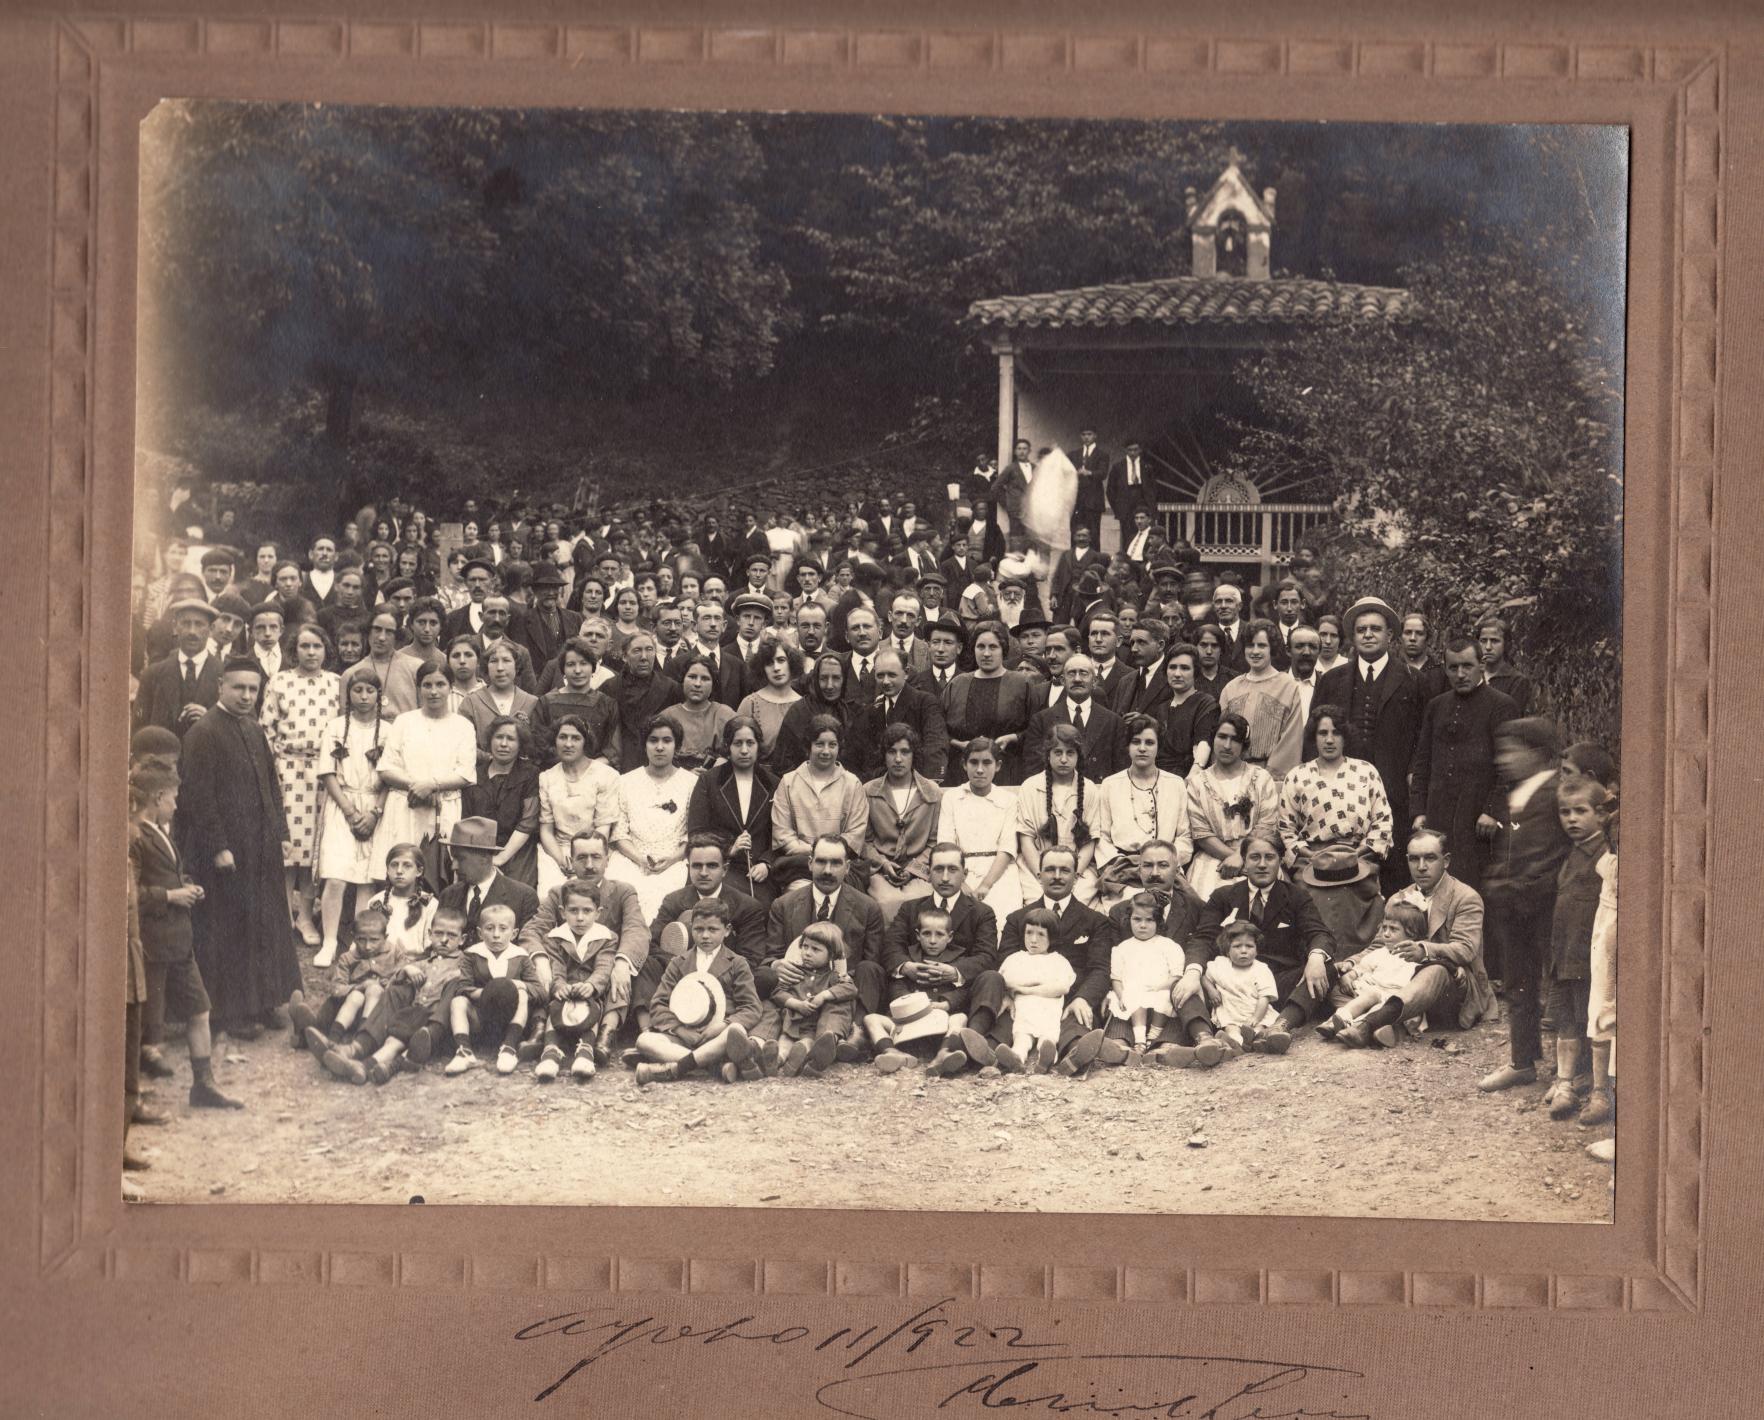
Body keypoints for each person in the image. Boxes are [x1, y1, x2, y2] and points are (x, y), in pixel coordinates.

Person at [178, 657, 303, 1039]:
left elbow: (270, 783)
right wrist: (218, 846)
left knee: (264, 923)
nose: (247, 695)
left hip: (260, 846)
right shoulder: (204, 732)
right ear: (221, 686)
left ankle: (265, 1001)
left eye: (253, 689)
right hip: (226, 851)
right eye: (239, 688)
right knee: (228, 929)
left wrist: (280, 832)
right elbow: (199, 798)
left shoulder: (252, 727)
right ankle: (230, 1013)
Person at [129, 764, 243, 1110]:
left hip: (179, 941)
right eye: (174, 797)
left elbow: (167, 874)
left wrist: (186, 886)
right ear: (159, 797)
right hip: (152, 946)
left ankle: (203, 1086)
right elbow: (129, 895)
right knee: (142, 1027)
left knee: (199, 1010)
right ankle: (128, 1101)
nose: (177, 805)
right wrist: (171, 896)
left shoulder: (162, 831)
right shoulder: (135, 837)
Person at [1478, 718, 1574, 1093]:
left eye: (1511, 751)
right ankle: (1523, 1061)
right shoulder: (1517, 793)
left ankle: (1573, 1074)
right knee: (1518, 983)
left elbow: (1550, 857)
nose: (1503, 759)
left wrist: (1509, 885)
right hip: (1515, 908)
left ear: (1535, 753)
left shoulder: (1555, 793)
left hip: (1545, 906)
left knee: (1563, 986)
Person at [1307, 596, 1424, 893]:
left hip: (1395, 790)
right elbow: (1314, 736)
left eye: (1375, 629)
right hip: (1341, 792)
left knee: (1394, 869)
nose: (1368, 635)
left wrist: (1413, 777)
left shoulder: (1413, 680)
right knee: (1344, 871)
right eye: (1361, 630)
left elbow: (1424, 737)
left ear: (1390, 636)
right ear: (1353, 636)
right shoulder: (1332, 680)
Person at [1181, 832, 1339, 1052]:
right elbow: (1203, 938)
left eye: (1270, 857)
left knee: (1327, 969)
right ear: (1244, 861)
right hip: (1229, 987)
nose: (1262, 865)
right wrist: (1192, 972)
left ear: (1280, 861)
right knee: (1185, 979)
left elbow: (1319, 933)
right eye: (1255, 857)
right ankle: (1205, 1039)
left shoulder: (1296, 896)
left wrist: (1316, 958)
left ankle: (1279, 1027)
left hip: (1276, 985)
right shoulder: (1223, 897)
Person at [969, 849, 1116, 1076]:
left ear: (1076, 878)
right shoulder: (1017, 918)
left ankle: (1073, 1056)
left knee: (1073, 1023)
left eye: (1065, 870)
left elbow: (1100, 968)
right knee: (1010, 1021)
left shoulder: (1095, 921)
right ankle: (987, 1055)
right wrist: (1008, 994)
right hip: (1022, 996)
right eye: (1050, 870)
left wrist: (1083, 999)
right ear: (1039, 876)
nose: (1057, 876)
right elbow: (1004, 961)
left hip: (1068, 995)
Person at [1280, 704, 1394, 954]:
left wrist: (1359, 854)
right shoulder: (1297, 776)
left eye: (1336, 733)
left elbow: (1382, 821)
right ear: (1314, 736)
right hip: (1313, 864)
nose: (1329, 740)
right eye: (1323, 733)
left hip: (1358, 860)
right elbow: (1286, 828)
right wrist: (1312, 857)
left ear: (1345, 736)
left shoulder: (1365, 772)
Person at [1408, 637, 1519, 891]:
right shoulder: (1436, 706)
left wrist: (1493, 809)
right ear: (1445, 668)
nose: (1460, 674)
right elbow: (1423, 761)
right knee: (1436, 887)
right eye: (1453, 667)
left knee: (1474, 888)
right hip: (1438, 813)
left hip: (1479, 819)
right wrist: (1418, 811)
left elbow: (1509, 766)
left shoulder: (1502, 705)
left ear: (1482, 664)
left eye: (1467, 666)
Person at [260, 622, 341, 948]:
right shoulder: (279, 681)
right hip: (287, 771)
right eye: (305, 646)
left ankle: (306, 916)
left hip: (324, 775)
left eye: (317, 646)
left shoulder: (336, 683)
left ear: (325, 650)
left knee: (313, 852)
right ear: (294, 650)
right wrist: (271, 773)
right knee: (287, 849)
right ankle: (282, 917)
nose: (310, 652)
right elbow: (266, 729)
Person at [634, 898, 765, 1086]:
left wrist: (723, 1025)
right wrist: (679, 1029)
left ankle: (675, 1068)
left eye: (712, 930)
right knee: (644, 1040)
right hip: (685, 1034)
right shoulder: (678, 963)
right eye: (699, 929)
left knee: (735, 1032)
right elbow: (658, 1004)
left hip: (718, 1036)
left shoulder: (737, 963)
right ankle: (715, 1067)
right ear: (691, 928)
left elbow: (751, 1007)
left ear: (727, 930)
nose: (705, 936)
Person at [371, 660, 478, 887]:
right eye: (427, 685)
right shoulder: (404, 721)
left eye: (440, 684)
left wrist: (432, 785)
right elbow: (386, 767)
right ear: (419, 688)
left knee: (439, 875)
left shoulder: (463, 726)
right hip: (404, 807)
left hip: (443, 807)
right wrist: (418, 787)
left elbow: (465, 773)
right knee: (400, 869)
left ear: (450, 687)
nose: (433, 691)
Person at [1542, 779, 1613, 1121]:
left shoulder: (1607, 855)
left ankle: (1598, 1089)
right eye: (1565, 812)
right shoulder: (1568, 854)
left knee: (1595, 1021)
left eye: (1580, 811)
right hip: (1564, 954)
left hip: (1592, 957)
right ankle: (1565, 1083)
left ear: (1601, 815)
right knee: (1565, 1021)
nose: (1571, 819)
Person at [313, 672, 388, 963]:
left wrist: (374, 813)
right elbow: (328, 773)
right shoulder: (334, 727)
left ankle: (359, 944)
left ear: (378, 695)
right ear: (349, 694)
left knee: (366, 880)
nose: (364, 696)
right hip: (341, 804)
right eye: (358, 690)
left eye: (370, 690)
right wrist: (349, 810)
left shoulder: (389, 731)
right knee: (336, 876)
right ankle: (329, 941)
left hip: (375, 806)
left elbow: (391, 777)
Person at [602, 715, 698, 918]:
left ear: (677, 745)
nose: (660, 747)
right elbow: (619, 834)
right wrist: (640, 859)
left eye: (667, 740)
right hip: (631, 857)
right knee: (620, 892)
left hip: (674, 860)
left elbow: (692, 834)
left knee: (663, 899)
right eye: (653, 740)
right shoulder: (626, 781)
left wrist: (672, 859)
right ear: (644, 745)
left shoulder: (691, 783)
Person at [1093, 715, 1191, 904]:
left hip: (1166, 872)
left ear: (1158, 746)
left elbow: (1185, 835)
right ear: (1128, 746)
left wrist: (1165, 863)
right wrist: (1124, 864)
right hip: (1123, 872)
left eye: (1149, 742)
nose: (1142, 748)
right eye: (1136, 742)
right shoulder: (1111, 784)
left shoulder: (1175, 784)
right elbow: (1102, 836)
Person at [1183, 712, 1280, 900]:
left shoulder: (1261, 778)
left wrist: (1242, 857)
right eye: (1222, 737)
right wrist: (1233, 857)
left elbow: (1266, 825)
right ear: (1213, 740)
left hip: (1257, 855)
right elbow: (1201, 833)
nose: (1227, 745)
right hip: (1213, 858)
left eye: (1235, 739)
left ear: (1244, 745)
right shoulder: (1197, 783)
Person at [530, 877, 619, 1082]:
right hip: (566, 990)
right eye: (573, 911)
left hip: (591, 991)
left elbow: (604, 966)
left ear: (598, 913)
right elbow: (556, 966)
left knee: (595, 1005)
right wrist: (559, 985)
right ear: (562, 912)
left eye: (587, 911)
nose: (580, 918)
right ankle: (550, 1051)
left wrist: (591, 985)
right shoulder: (554, 937)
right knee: (554, 1004)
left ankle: (585, 1051)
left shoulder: (606, 937)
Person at [438, 902, 540, 1077]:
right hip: (481, 1018)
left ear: (514, 933)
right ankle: (464, 1051)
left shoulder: (521, 957)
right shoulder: (472, 955)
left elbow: (540, 991)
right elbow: (463, 987)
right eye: (489, 928)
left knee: (522, 994)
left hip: (511, 1018)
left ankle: (509, 1047)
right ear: (479, 932)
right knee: (458, 1001)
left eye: (503, 929)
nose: (496, 935)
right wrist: (489, 992)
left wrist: (517, 985)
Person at [300, 904, 402, 1070]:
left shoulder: (395, 952)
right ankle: (330, 1039)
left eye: (374, 940)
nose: (368, 946)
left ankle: (354, 1038)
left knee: (374, 990)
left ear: (385, 937)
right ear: (354, 937)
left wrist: (383, 983)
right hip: (349, 1009)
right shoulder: (348, 958)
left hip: (378, 1014)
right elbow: (336, 988)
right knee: (354, 996)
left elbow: (403, 971)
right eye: (361, 940)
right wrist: (359, 987)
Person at [685, 717, 777, 902]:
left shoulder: (773, 783)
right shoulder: (709, 781)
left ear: (758, 746)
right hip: (715, 866)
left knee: (760, 909)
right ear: (728, 746)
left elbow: (780, 834)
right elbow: (697, 832)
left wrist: (767, 864)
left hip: (757, 871)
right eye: (738, 743)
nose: (744, 750)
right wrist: (727, 850)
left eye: (750, 743)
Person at [771, 715, 868, 891]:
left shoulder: (852, 784)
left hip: (840, 867)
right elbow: (783, 834)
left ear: (840, 747)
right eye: (819, 744)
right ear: (808, 746)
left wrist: (828, 855)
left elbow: (855, 834)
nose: (826, 751)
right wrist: (814, 855)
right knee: (801, 895)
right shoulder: (789, 782)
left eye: (832, 745)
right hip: (800, 867)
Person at [860, 724, 943, 923]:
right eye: (892, 752)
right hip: (881, 870)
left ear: (914, 755)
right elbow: (863, 841)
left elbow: (935, 841)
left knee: (921, 903)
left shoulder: (931, 792)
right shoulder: (869, 791)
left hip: (921, 871)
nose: (898, 759)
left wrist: (913, 869)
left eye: (905, 752)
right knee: (887, 901)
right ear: (884, 755)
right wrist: (883, 863)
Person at [1316, 901, 1427, 1048]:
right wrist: (1350, 976)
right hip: (1367, 993)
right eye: (1384, 928)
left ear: (1411, 933)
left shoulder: (1418, 959)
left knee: (1376, 1001)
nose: (1386, 934)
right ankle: (1364, 1028)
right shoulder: (1380, 953)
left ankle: (1346, 1023)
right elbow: (1362, 968)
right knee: (1338, 992)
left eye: (1393, 929)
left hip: (1392, 1001)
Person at [935, 737, 1023, 921]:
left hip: (999, 872)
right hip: (958, 870)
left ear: (998, 766)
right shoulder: (952, 798)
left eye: (987, 763)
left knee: (1002, 920)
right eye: (974, 762)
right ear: (964, 765)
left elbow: (1007, 848)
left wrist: (986, 885)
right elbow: (946, 845)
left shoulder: (1008, 800)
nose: (980, 769)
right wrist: (961, 883)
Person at [1015, 722, 1101, 905]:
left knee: (1076, 903)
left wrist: (1075, 874)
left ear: (1078, 756)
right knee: (1037, 902)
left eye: (1070, 753)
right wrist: (1041, 873)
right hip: (1035, 866)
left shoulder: (1090, 789)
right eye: (1057, 752)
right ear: (1047, 755)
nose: (1063, 759)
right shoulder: (1030, 787)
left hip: (1078, 869)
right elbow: (1026, 839)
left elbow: (1090, 841)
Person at [535, 714, 621, 896]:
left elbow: (603, 828)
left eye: (575, 738)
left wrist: (582, 858)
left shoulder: (606, 775)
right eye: (563, 737)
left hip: (595, 848)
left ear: (585, 742)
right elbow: (546, 830)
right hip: (558, 851)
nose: (568, 744)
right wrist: (561, 860)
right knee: (550, 895)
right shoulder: (547, 778)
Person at [944, 621, 1036, 786]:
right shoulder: (957, 684)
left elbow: (1037, 727)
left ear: (1003, 650)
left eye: (993, 647)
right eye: (981, 647)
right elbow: (939, 730)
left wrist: (1014, 737)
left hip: (1008, 771)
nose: (986, 653)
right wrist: (960, 745)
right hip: (963, 772)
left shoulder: (1021, 684)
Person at [762, 920, 857, 1078]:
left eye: (815, 949)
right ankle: (775, 1061)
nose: (807, 952)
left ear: (831, 955)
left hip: (814, 1025)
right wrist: (795, 1003)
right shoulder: (795, 972)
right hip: (793, 1021)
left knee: (806, 1043)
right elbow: (778, 991)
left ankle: (797, 1060)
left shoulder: (834, 977)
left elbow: (850, 989)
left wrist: (824, 995)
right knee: (784, 1042)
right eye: (805, 946)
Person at [459, 715, 541, 888]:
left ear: (520, 745)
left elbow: (528, 821)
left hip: (517, 851)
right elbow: (466, 821)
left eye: (511, 739)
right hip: (479, 851)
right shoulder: (475, 774)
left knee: (515, 892)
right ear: (490, 741)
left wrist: (500, 858)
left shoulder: (530, 774)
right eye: (499, 737)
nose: (503, 744)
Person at [1218, 620, 1305, 781]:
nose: (1255, 651)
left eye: (1262, 645)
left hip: (1271, 777)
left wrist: (1268, 778)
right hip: (1233, 775)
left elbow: (1291, 739)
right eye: (1250, 645)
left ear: (1272, 648)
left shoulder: (1287, 686)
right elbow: (1221, 738)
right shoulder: (1231, 688)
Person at [995, 906, 1078, 1073]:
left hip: (1049, 1011)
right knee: (1021, 1039)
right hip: (1023, 1011)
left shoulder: (1058, 961)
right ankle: (1016, 1059)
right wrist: (1040, 984)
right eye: (1029, 933)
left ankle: (1045, 1060)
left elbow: (1061, 987)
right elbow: (1006, 981)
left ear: (1052, 937)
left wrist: (1024, 989)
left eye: (1041, 934)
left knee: (1048, 1040)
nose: (1033, 940)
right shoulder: (1016, 959)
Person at [1105, 890, 1186, 1055]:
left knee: (1163, 997)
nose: (1143, 925)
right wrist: (1121, 996)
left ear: (1158, 922)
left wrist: (1159, 987)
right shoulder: (1122, 948)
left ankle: (1153, 1038)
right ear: (1129, 920)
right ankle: (1140, 1042)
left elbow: (1176, 975)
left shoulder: (1168, 945)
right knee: (1131, 998)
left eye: (1149, 920)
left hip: (1160, 990)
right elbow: (1117, 979)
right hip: (1133, 994)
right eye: (1137, 919)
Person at [1024, 654, 1126, 781]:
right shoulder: (1041, 720)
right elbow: (1034, 770)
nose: (1077, 679)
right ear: (1063, 681)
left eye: (1083, 673)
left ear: (1094, 681)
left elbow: (1120, 773)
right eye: (1071, 673)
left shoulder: (1114, 722)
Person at [135, 598, 224, 737]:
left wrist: (210, 721)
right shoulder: (152, 674)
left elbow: (239, 730)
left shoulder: (224, 674)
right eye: (186, 623)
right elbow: (138, 729)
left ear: (211, 629)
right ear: (175, 627)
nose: (192, 631)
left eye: (199, 624)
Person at [1203, 921, 1284, 1053]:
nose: (1244, 951)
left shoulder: (1261, 969)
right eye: (1237, 946)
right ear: (1227, 950)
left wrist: (1255, 1018)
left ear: (1257, 950)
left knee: (1260, 1027)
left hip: (1256, 1011)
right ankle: (1236, 1044)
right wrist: (1211, 990)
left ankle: (1259, 1040)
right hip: (1231, 1011)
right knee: (1231, 1029)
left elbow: (1264, 997)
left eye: (1249, 946)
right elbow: (1204, 977)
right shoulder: (1220, 965)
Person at [735, 633, 805, 765]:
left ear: (792, 662)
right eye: (769, 663)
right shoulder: (750, 704)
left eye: (781, 660)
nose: (776, 668)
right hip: (759, 779)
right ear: (762, 668)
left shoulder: (804, 705)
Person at [459, 641, 541, 754]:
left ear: (516, 666)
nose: (500, 668)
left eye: (506, 661)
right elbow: (463, 745)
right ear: (486, 667)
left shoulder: (532, 702)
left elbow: (538, 746)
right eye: (493, 661)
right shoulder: (471, 702)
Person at [659, 655, 738, 771]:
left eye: (705, 679)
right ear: (682, 680)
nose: (697, 684)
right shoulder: (667, 717)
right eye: (692, 677)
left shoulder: (725, 715)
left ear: (713, 684)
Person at [1155, 642, 1219, 781]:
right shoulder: (1161, 708)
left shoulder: (1205, 702)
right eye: (1172, 667)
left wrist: (1193, 775)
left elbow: (1203, 742)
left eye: (1185, 668)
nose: (1177, 674)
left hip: (1189, 777)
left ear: (1195, 672)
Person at [1474, 613, 1546, 717]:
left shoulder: (1517, 681)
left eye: (1495, 641)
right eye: (1483, 641)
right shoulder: (1472, 676)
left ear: (1507, 645)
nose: (1488, 647)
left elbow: (1508, 719)